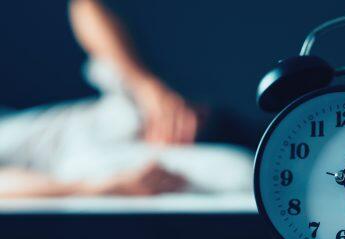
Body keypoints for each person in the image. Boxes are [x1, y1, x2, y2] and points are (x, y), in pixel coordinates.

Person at [0, 0, 253, 197]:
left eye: (194, 130)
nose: (182, 122)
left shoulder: (129, 163)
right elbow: (86, 7)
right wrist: (145, 85)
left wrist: (94, 190)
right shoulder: (132, 104)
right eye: (195, 114)